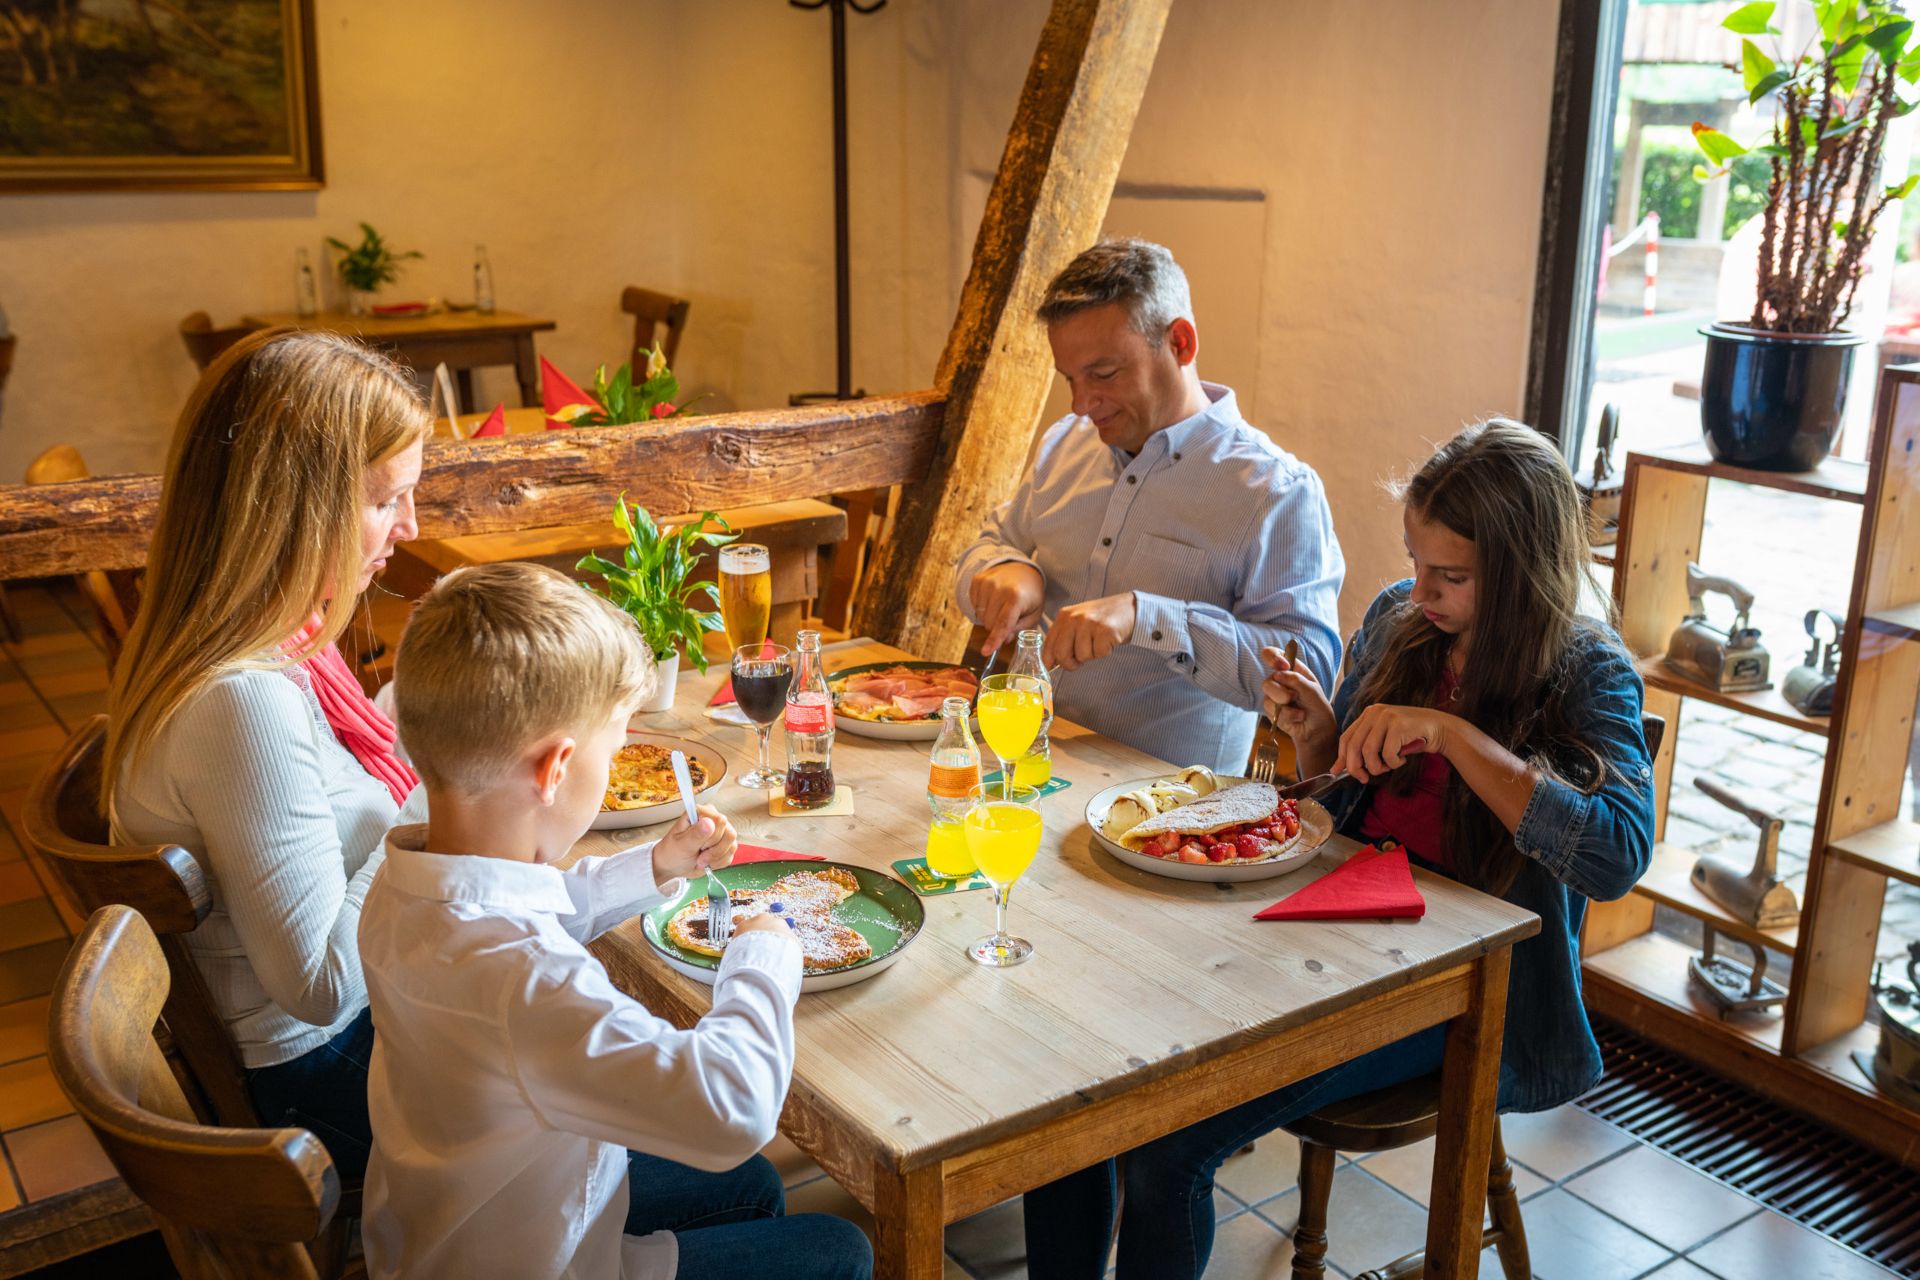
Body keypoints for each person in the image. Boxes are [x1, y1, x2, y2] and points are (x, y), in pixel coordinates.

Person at [1022, 420, 1655, 1280]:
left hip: (1465, 988)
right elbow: (1342, 801)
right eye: (1417, 561)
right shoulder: (1403, 619)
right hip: (1340, 934)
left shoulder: (1588, 668)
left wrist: (1452, 733)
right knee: (1078, 1076)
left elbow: (1617, 854)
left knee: (1167, 1151)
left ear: (1520, 571)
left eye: (1451, 575)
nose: (1420, 587)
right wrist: (1318, 734)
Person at [361, 562, 872, 1280]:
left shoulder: (406, 881)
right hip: (553, 1265)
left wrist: (656, 865)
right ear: (555, 769)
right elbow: (730, 1109)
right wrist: (763, 958)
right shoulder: (525, 981)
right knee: (839, 1250)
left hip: (451, 1231)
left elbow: (535, 909)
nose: (613, 765)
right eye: (614, 747)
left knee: (753, 1187)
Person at [107, 328, 430, 1179]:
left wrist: (433, 719)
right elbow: (319, 984)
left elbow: (328, 778)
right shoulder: (241, 699)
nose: (411, 525)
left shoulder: (266, 638)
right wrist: (433, 800)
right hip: (324, 1076)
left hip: (353, 1038)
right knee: (731, 1174)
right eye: (385, 499)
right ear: (296, 505)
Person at [954, 238, 1343, 773]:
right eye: (1071, 378)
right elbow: (985, 546)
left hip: (1167, 813)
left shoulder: (1277, 491)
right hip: (1026, 769)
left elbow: (1310, 674)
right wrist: (1004, 569)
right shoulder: (1066, 442)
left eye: (1104, 374)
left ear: (1180, 342)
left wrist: (1148, 616)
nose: (1080, 404)